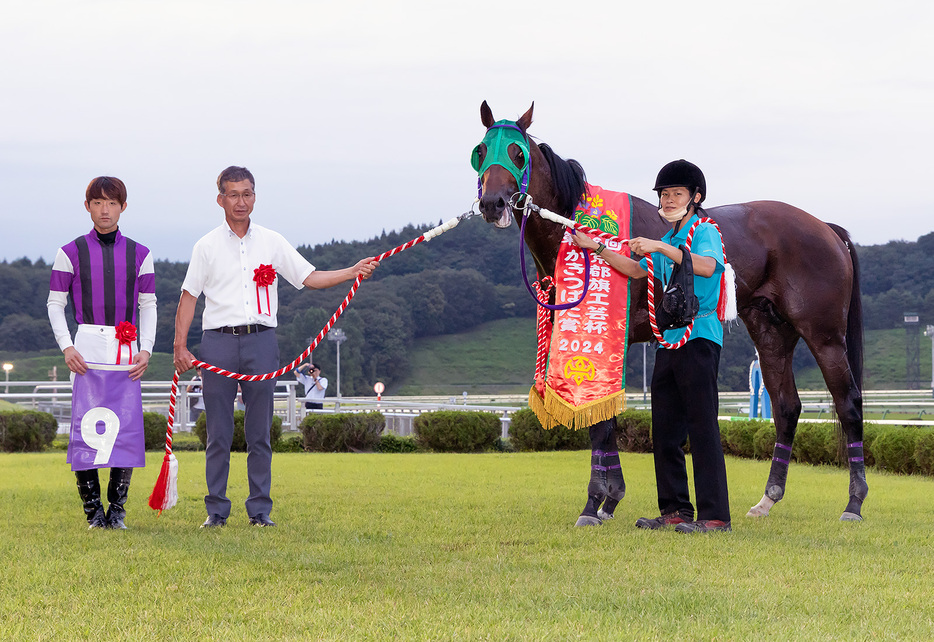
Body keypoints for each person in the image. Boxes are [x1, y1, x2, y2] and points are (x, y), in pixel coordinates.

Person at [173, 166, 378, 529]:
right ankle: (216, 511)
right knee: (218, 433)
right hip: (217, 342)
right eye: (233, 194)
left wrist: (351, 271)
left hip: (261, 342)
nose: (241, 201)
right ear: (220, 199)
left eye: (247, 193)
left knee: (259, 431)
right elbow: (188, 298)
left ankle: (260, 511)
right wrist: (180, 346)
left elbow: (309, 278)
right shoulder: (205, 246)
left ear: (255, 196)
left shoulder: (272, 241)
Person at [572, 159, 731, 534]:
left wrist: (658, 244)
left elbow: (708, 267)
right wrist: (597, 248)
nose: (669, 199)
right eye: (664, 193)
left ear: (695, 197)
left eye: (677, 193)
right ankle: (675, 509)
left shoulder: (704, 230)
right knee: (665, 430)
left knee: (703, 428)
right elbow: (636, 271)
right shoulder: (671, 241)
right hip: (669, 341)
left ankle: (716, 516)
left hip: (700, 338)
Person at [47, 176, 156, 529]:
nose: (104, 209)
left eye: (112, 202)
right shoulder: (69, 252)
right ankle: (94, 514)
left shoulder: (141, 253)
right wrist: (66, 346)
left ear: (123, 206)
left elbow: (148, 304)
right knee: (86, 429)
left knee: (124, 429)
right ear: (87, 206)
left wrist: (146, 349)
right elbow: (54, 304)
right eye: (97, 202)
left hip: (126, 352)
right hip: (86, 350)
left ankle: (117, 512)